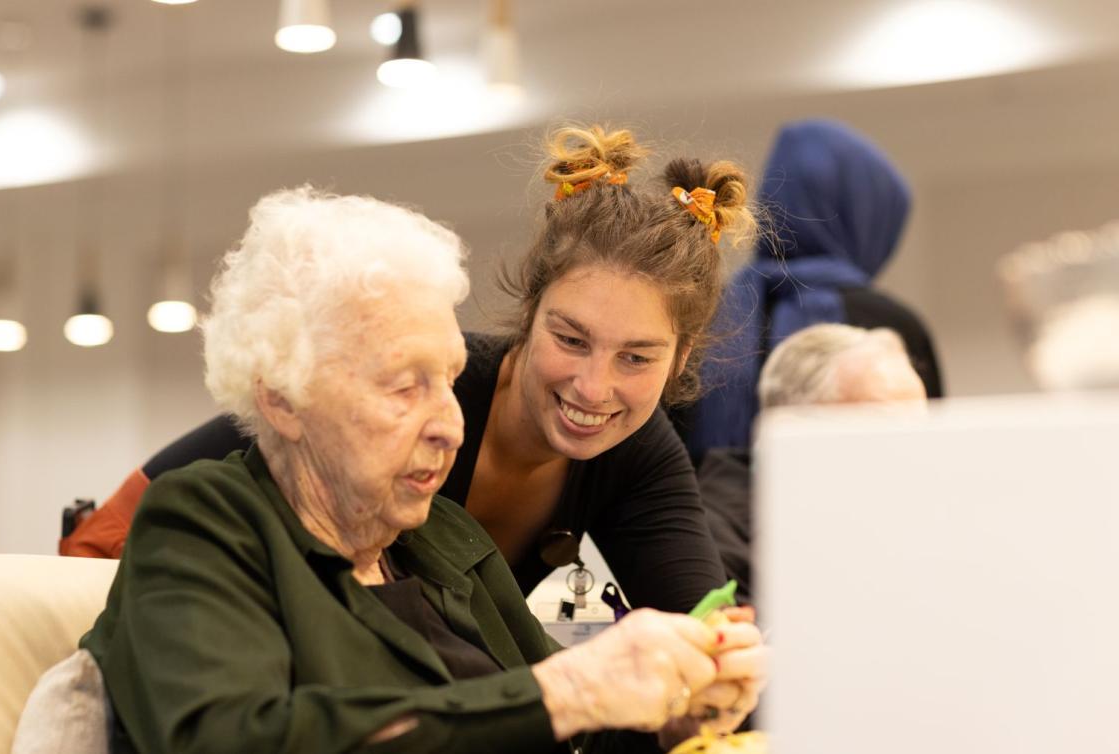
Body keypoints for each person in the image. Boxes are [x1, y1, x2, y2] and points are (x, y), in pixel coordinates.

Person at [50, 187, 767, 753]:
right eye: (405, 386)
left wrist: (673, 719)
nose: (454, 421)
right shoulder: (206, 524)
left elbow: (558, 725)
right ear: (283, 396)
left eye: (451, 379)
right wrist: (569, 691)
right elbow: (230, 737)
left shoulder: (445, 538)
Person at [61, 124, 759, 615]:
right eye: (571, 339)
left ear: (681, 361)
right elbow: (251, 424)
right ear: (529, 309)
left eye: (636, 357)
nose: (593, 387)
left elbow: (693, 621)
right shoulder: (434, 381)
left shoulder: (640, 456)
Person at [675, 118, 943, 462]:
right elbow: (930, 460)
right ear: (865, 219)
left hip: (705, 512)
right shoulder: (890, 325)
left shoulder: (701, 313)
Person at [701, 323, 927, 605]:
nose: (914, 450)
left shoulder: (911, 519)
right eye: (886, 426)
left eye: (921, 428)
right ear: (794, 427)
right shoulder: (709, 538)